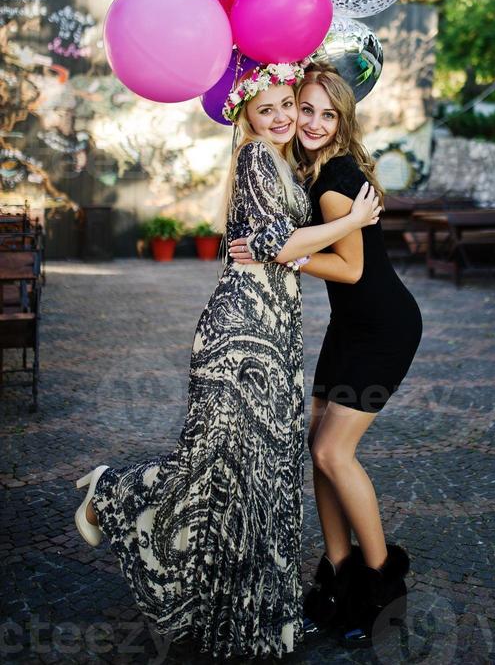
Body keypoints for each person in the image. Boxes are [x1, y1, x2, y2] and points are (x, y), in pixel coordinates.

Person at [72, 61, 381, 663]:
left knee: (258, 474)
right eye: (268, 110)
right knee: (215, 460)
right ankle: (109, 492)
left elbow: (276, 246)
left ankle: (251, 618)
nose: (285, 117)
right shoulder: (256, 157)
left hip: (275, 327)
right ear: (246, 117)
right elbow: (267, 244)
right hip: (240, 334)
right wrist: (351, 220)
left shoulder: (286, 162)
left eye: (288, 105)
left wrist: (329, 221)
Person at [229, 65, 422, 649]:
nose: (310, 123)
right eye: (303, 109)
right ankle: (337, 580)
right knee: (318, 451)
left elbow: (352, 268)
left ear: (342, 121)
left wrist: (282, 257)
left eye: (325, 114)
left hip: (383, 329)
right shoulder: (308, 170)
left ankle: (382, 588)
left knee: (334, 452)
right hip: (350, 325)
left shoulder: (336, 177)